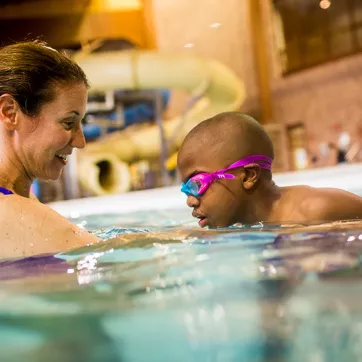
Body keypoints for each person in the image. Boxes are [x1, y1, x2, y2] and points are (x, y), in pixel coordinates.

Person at [0, 40, 102, 258]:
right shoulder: (9, 213)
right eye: (68, 123)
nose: (80, 141)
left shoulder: (23, 204)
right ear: (10, 113)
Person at [177, 112, 362, 229]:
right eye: (186, 188)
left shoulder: (316, 211)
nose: (190, 200)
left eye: (197, 183)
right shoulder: (238, 222)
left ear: (248, 176)